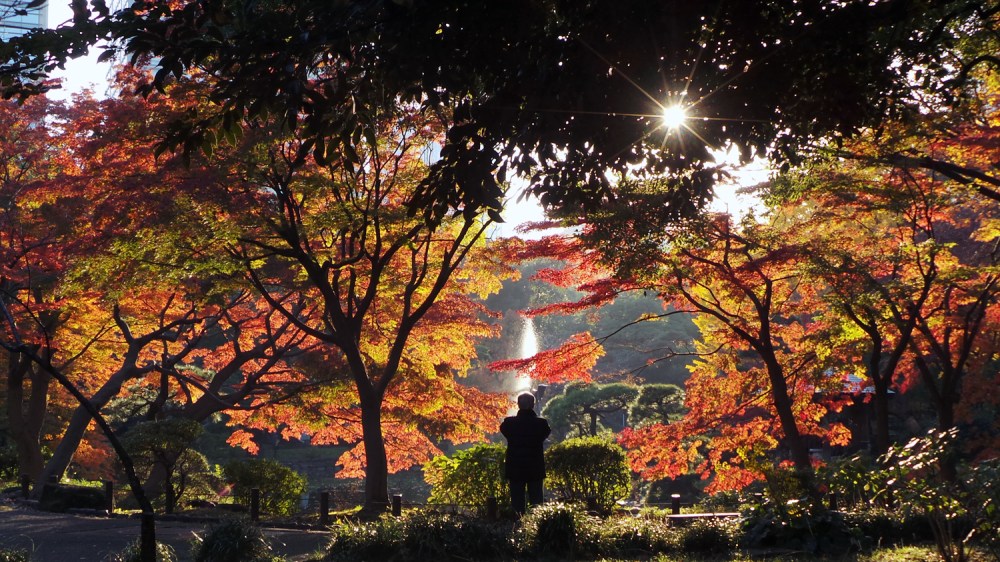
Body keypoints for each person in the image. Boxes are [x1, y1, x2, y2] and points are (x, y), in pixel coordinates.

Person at [500, 392, 551, 516]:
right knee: (537, 504)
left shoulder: (509, 423)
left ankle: (517, 529)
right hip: (535, 467)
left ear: (518, 405)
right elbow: (545, 433)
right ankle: (537, 530)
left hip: (515, 467)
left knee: (517, 504)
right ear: (533, 405)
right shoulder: (541, 424)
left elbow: (504, 430)